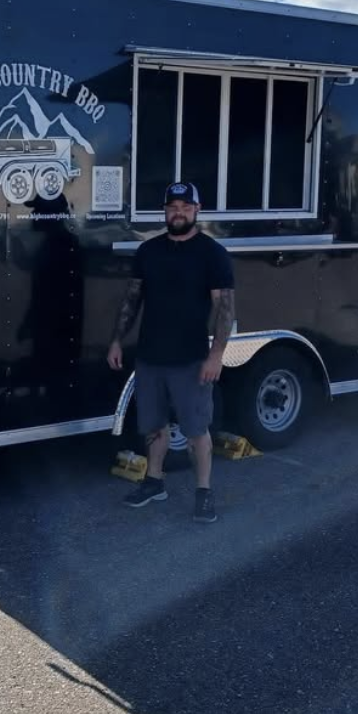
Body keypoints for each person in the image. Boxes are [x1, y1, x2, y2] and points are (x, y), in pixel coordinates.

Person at [107, 181, 235, 523]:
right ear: (165, 211)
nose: (178, 212)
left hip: (192, 360)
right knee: (154, 427)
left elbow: (225, 309)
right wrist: (118, 339)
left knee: (196, 432)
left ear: (197, 210)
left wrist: (216, 355)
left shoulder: (212, 254)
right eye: (172, 206)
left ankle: (204, 493)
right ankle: (154, 482)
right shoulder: (148, 252)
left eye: (185, 206)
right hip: (150, 358)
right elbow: (132, 300)